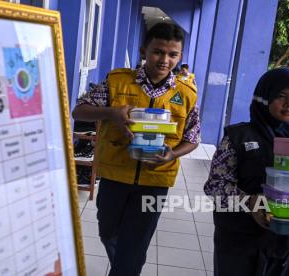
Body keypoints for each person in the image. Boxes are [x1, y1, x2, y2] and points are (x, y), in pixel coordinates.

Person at [72, 22, 200, 275]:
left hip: (155, 179)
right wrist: (111, 113)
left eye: (172, 54)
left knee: (135, 244)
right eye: (158, 52)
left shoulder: (185, 93)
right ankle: (126, 265)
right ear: (144, 51)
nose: (164, 60)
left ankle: (126, 268)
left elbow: (193, 137)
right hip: (114, 174)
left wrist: (172, 154)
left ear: (180, 57)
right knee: (107, 231)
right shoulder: (118, 82)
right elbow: (79, 110)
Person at [203, 68, 289, 276]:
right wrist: (249, 202)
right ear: (264, 98)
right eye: (280, 96)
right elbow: (215, 186)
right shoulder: (238, 137)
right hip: (240, 241)